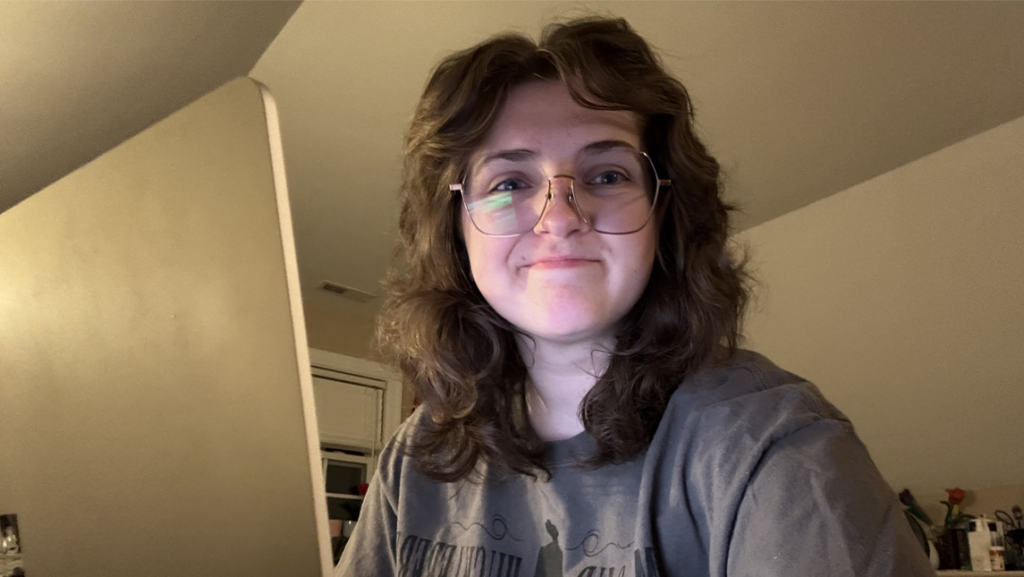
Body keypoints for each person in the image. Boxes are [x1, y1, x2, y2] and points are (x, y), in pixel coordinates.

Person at [337, 16, 932, 577]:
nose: (561, 217)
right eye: (510, 182)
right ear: (457, 230)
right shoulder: (414, 457)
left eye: (608, 175)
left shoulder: (774, 447)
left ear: (662, 214)